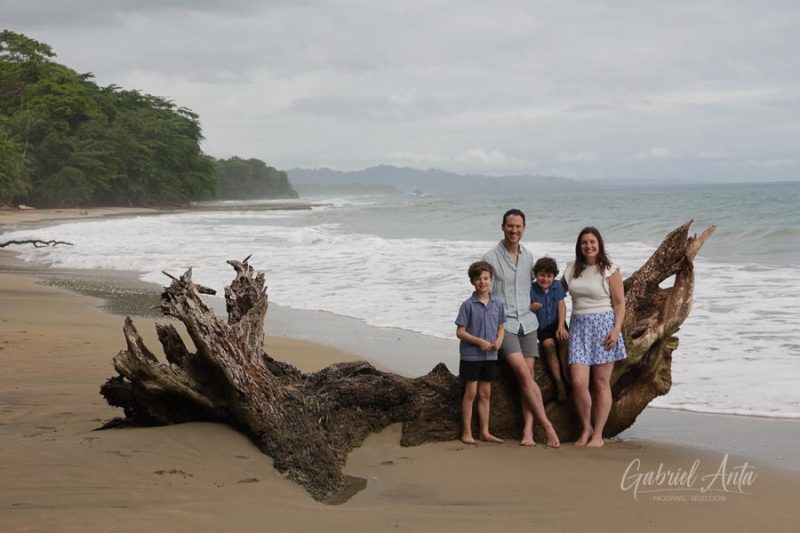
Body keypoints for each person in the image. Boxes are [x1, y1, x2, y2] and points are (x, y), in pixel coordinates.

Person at [482, 209, 561, 447]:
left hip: (528, 322)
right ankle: (547, 426)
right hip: (504, 324)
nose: (514, 230)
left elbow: (540, 286)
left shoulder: (528, 257)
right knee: (523, 374)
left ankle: (528, 431)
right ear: (503, 227)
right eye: (510, 226)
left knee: (529, 376)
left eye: (518, 226)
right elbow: (484, 293)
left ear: (524, 229)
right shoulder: (490, 257)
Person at [561, 226, 627, 448]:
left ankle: (598, 434)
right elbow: (556, 295)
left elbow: (620, 303)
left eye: (592, 242)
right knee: (578, 382)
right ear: (579, 246)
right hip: (579, 328)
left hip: (603, 327)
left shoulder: (609, 270)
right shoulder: (571, 269)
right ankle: (585, 428)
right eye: (584, 242)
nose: (588, 246)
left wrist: (616, 330)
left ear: (599, 244)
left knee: (600, 383)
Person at [454, 261, 506, 445]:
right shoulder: (468, 305)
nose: (482, 282)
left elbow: (501, 328)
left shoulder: (498, 304)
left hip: (490, 356)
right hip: (471, 356)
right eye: (478, 279)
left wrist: (499, 341)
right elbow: (460, 332)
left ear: (491, 280)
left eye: (486, 278)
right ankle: (466, 432)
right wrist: (480, 342)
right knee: (471, 393)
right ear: (472, 281)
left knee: (485, 393)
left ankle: (485, 432)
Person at [530, 257, 569, 402]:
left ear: (554, 276)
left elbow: (561, 305)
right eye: (542, 275)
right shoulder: (531, 289)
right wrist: (531, 307)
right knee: (548, 345)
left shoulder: (557, 285)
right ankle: (559, 383)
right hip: (542, 327)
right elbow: (524, 309)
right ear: (536, 275)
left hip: (557, 322)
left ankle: (566, 373)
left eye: (549, 276)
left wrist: (561, 326)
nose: (545, 279)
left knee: (564, 340)